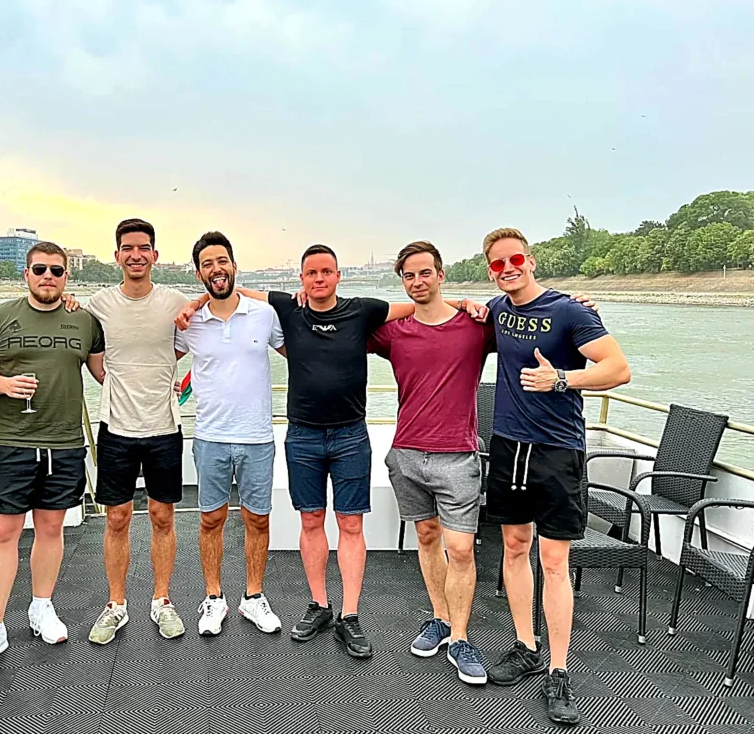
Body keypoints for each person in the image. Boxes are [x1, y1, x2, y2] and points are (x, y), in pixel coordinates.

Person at [176, 243, 487, 659]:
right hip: (303, 435)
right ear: (301, 280)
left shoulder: (363, 310)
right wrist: (196, 299)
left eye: (326, 272)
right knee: (311, 521)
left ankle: (350, 615)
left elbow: (416, 306)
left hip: (350, 436)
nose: (319, 279)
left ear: (338, 275)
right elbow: (237, 292)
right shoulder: (289, 308)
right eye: (311, 273)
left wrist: (463, 302)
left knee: (351, 526)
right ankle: (320, 605)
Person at [367, 241, 599, 685]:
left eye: (425, 273)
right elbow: (346, 325)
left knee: (461, 549)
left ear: (441, 274)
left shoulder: (478, 326)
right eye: (409, 276)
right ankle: (438, 618)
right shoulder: (392, 333)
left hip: (459, 454)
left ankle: (460, 637)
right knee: (427, 537)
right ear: (402, 281)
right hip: (407, 453)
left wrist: (578, 304)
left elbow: (531, 317)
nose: (418, 281)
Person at [481, 228, 630, 725]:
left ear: (532, 260)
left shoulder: (570, 310)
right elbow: (463, 318)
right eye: (498, 263)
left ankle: (559, 670)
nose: (508, 268)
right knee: (515, 546)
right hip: (508, 446)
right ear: (490, 269)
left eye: (515, 259)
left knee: (554, 559)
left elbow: (618, 368)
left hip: (557, 450)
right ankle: (525, 645)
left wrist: (562, 378)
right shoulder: (499, 311)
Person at [0, 242, 105, 673]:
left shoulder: (85, 321)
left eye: (57, 271)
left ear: (67, 277)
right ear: (26, 274)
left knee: (51, 528)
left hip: (63, 442)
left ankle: (41, 607)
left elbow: (105, 373)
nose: (49, 276)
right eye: (40, 269)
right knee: (3, 533)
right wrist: (4, 386)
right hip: (11, 441)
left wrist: (166, 369)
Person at [83, 219, 192, 644]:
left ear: (155, 255)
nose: (135, 255)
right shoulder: (99, 304)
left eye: (143, 247)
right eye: (127, 248)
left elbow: (195, 337)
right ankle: (116, 605)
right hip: (116, 428)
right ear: (117, 256)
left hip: (164, 426)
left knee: (163, 517)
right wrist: (112, 383)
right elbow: (93, 355)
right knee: (117, 518)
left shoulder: (174, 301)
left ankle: (162, 601)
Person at [173, 231, 286, 636]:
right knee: (210, 519)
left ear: (234, 266)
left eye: (222, 261)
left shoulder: (264, 315)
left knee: (258, 519)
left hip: (257, 437)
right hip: (210, 437)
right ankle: (214, 598)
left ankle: (253, 597)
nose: (216, 270)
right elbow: (154, 355)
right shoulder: (189, 322)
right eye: (207, 264)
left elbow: (304, 352)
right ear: (199, 272)